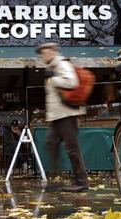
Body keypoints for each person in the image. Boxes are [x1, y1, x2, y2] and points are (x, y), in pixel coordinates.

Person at [36, 43, 89, 192]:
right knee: (50, 143)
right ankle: (55, 179)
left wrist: (54, 78)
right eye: (41, 54)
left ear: (52, 51)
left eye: (44, 53)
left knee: (72, 148)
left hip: (67, 115)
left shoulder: (62, 64)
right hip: (57, 116)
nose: (42, 56)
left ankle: (81, 182)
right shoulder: (51, 67)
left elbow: (72, 82)